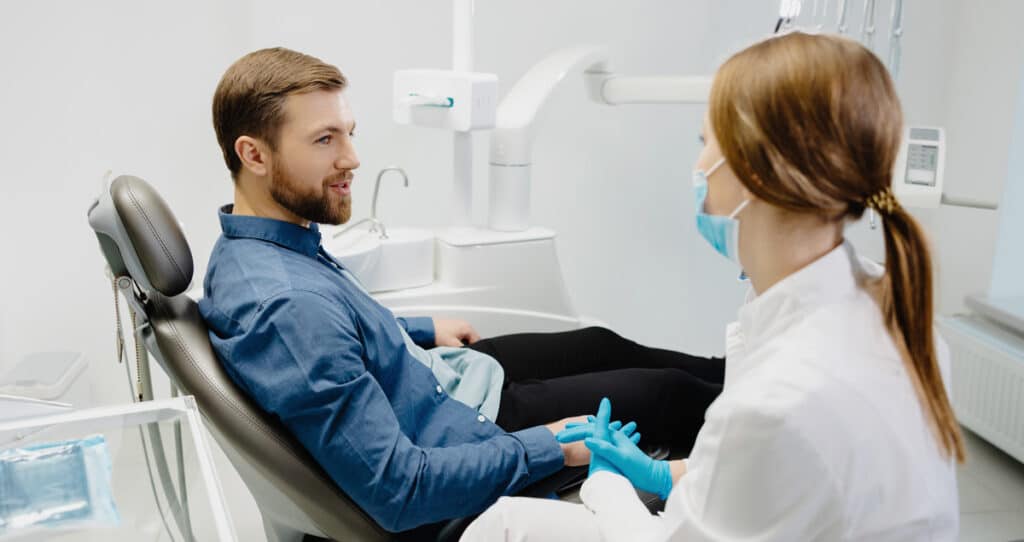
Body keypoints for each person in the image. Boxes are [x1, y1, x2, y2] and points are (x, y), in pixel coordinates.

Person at [199, 47, 724, 534]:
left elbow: (338, 334)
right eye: (325, 139)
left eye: (349, 133)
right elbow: (400, 488)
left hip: (440, 379)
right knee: (667, 394)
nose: (352, 158)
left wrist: (421, 330)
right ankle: (777, 435)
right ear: (254, 155)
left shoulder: (258, 247)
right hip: (465, 428)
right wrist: (549, 448)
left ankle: (747, 367)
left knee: (599, 342)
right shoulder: (289, 307)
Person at [462, 31, 963, 542]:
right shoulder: (888, 307)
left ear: (759, 173)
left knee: (503, 527)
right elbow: (760, 485)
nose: (698, 169)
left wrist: (606, 488)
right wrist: (663, 474)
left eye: (706, 145)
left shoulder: (779, 399)